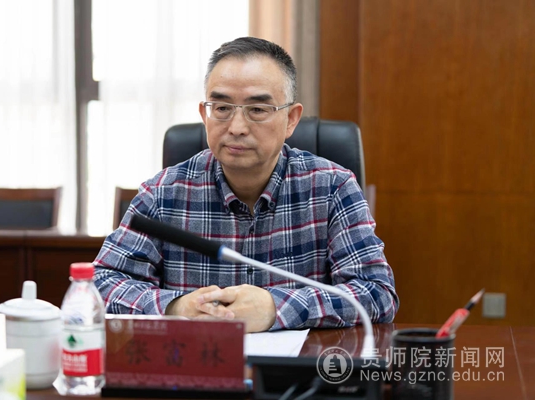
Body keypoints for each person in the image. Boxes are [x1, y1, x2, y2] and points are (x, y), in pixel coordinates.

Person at [93, 37, 398, 333]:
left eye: (258, 110)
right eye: (222, 108)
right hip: (195, 364)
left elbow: (376, 292)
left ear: (291, 119)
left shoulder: (332, 187)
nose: (237, 128)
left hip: (297, 366)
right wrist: (175, 307)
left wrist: (276, 308)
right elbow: (100, 284)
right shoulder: (163, 193)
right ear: (205, 114)